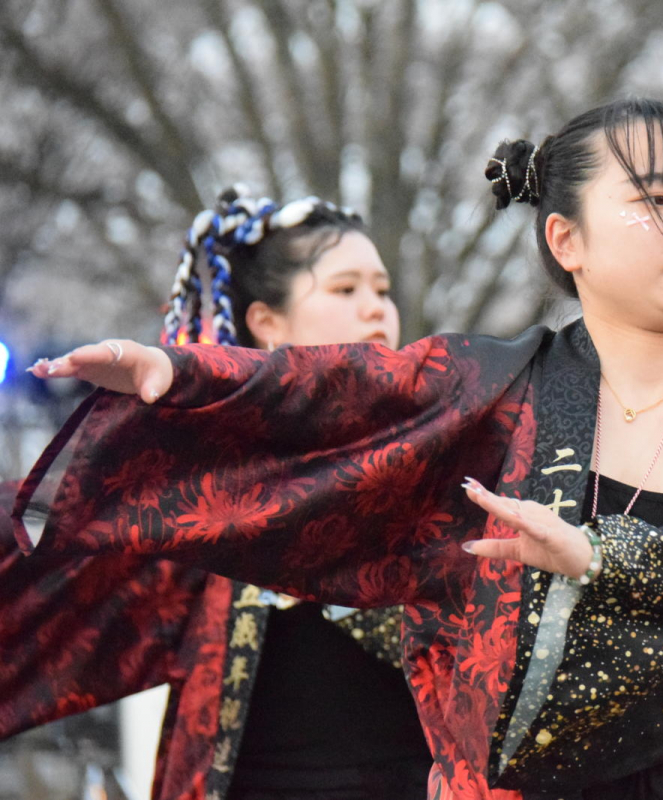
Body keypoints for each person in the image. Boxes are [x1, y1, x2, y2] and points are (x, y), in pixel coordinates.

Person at [14, 99, 663, 799]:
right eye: (658, 202)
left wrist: (594, 553)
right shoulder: (485, 386)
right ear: (567, 240)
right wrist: (179, 373)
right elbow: (340, 393)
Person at [0, 188, 434, 799]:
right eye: (345, 289)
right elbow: (62, 542)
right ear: (266, 322)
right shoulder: (212, 478)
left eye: (382, 290)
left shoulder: (440, 445)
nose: (376, 310)